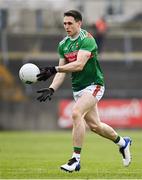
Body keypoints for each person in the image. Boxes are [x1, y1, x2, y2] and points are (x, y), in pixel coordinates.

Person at [36, 10, 132, 172]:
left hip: (94, 85)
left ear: (79, 23)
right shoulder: (63, 44)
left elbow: (79, 65)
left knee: (76, 113)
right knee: (95, 126)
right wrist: (52, 88)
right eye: (65, 23)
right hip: (78, 89)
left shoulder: (87, 40)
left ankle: (75, 159)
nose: (67, 26)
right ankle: (123, 142)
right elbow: (62, 71)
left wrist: (53, 68)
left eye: (70, 23)